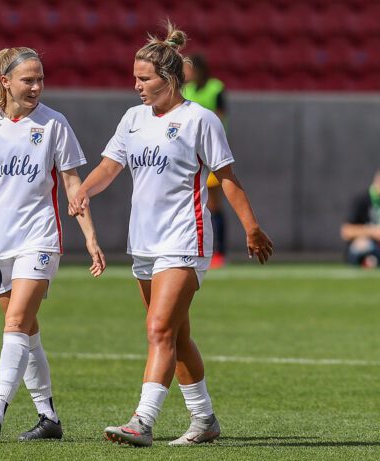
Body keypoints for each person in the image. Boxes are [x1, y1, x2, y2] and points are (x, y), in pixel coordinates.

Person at [69, 23, 273, 447]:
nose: (137, 86)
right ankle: (204, 420)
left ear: (171, 77)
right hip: (144, 241)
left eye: (144, 79)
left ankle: (142, 421)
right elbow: (111, 165)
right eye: (135, 78)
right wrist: (84, 190)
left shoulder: (201, 119)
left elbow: (228, 178)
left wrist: (251, 227)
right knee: (176, 336)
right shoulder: (133, 119)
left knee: (159, 329)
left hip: (185, 238)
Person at [0, 47, 106, 442]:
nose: (37, 86)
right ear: (6, 82)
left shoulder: (54, 124)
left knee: (16, 323)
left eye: (40, 79)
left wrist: (90, 236)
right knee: (27, 331)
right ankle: (48, 416)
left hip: (40, 238)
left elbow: (73, 184)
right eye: (28, 79)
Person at [182, 54, 228, 268]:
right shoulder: (185, 90)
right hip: (189, 154)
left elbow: (219, 117)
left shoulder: (216, 88)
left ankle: (219, 251)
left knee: (213, 204)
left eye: (188, 69)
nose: (185, 73)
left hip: (210, 153)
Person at [340, 169, 380, 268]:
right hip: (368, 246)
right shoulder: (362, 200)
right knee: (363, 246)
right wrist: (373, 232)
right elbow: (346, 231)